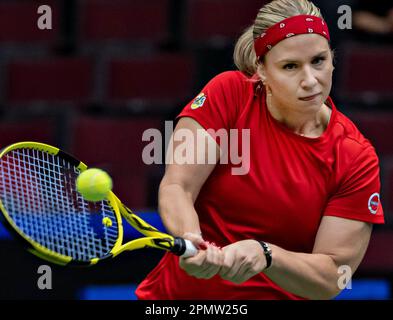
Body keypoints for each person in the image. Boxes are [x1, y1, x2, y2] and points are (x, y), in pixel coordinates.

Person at [135, 0, 384, 300]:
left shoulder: (355, 157)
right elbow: (178, 186)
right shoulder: (228, 95)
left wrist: (267, 255)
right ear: (261, 70)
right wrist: (193, 240)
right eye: (290, 66)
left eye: (318, 60)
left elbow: (332, 276)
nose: (310, 80)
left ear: (332, 58)